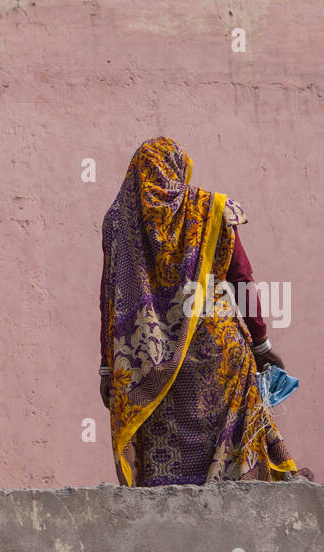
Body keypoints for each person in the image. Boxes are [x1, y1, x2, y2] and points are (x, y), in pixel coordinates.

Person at [98, 137, 298, 486]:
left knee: (165, 466)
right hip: (217, 352)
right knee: (231, 450)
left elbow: (110, 298)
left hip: (150, 365)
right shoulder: (209, 208)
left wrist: (106, 367)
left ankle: (172, 529)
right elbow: (241, 279)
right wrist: (261, 343)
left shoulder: (118, 221)